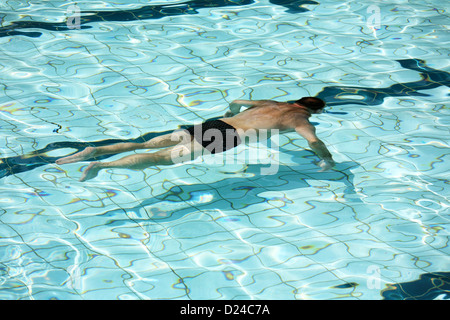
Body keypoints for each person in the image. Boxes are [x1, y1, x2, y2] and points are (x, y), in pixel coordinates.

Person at [55, 97, 335, 181]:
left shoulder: (271, 103)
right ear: (314, 109)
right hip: (227, 136)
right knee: (160, 159)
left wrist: (232, 111)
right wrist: (326, 157)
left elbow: (236, 100)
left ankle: (93, 151)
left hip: (218, 123)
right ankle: (102, 167)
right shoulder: (300, 119)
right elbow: (311, 141)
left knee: (147, 144)